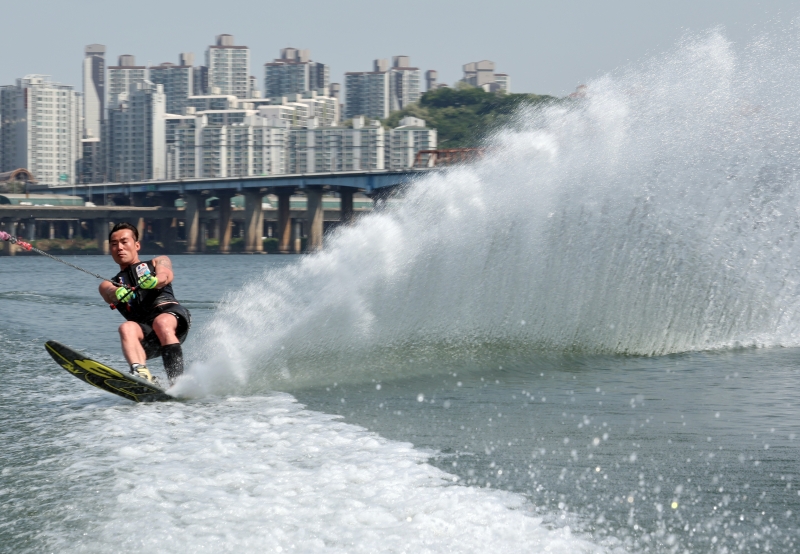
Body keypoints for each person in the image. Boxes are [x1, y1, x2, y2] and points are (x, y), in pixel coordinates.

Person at [98, 222, 191, 385]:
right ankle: (142, 375)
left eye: (124, 242)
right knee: (126, 327)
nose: (119, 247)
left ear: (137, 245)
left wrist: (155, 281)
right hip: (147, 336)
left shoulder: (157, 261)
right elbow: (108, 292)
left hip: (172, 318)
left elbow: (166, 274)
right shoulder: (108, 284)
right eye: (114, 244)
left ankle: (178, 383)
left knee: (161, 322)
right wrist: (117, 293)